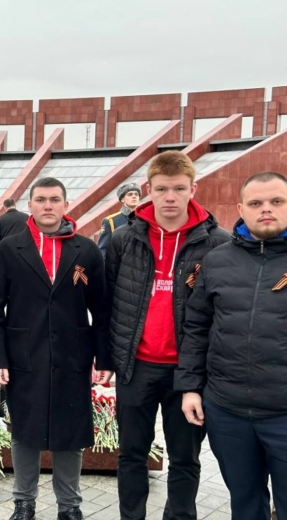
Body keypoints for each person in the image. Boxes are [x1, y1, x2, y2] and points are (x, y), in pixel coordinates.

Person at [106, 151, 230, 520]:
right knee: (131, 454)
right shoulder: (124, 239)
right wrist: (109, 359)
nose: (170, 197)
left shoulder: (217, 243)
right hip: (136, 367)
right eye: (162, 189)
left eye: (178, 188)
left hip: (188, 372)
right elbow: (109, 301)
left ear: (193, 189)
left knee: (185, 458)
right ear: (149, 190)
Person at [0, 177, 111, 520]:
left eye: (55, 199)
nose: (48, 206)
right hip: (24, 355)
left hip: (73, 355)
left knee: (70, 432)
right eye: (41, 199)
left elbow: (102, 309)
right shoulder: (9, 249)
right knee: (25, 432)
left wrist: (104, 358)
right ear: (31, 205)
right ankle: (23, 502)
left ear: (66, 205)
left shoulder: (86, 250)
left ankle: (69, 505)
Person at [177, 171, 287, 520]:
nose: (266, 209)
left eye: (277, 201)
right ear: (241, 209)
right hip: (228, 412)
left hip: (283, 414)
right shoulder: (217, 260)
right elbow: (197, 327)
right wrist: (190, 388)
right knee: (245, 504)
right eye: (256, 203)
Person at [97, 182, 141, 258]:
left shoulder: (146, 218)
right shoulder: (111, 221)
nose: (134, 196)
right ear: (122, 199)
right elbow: (103, 250)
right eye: (130, 194)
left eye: (136, 194)